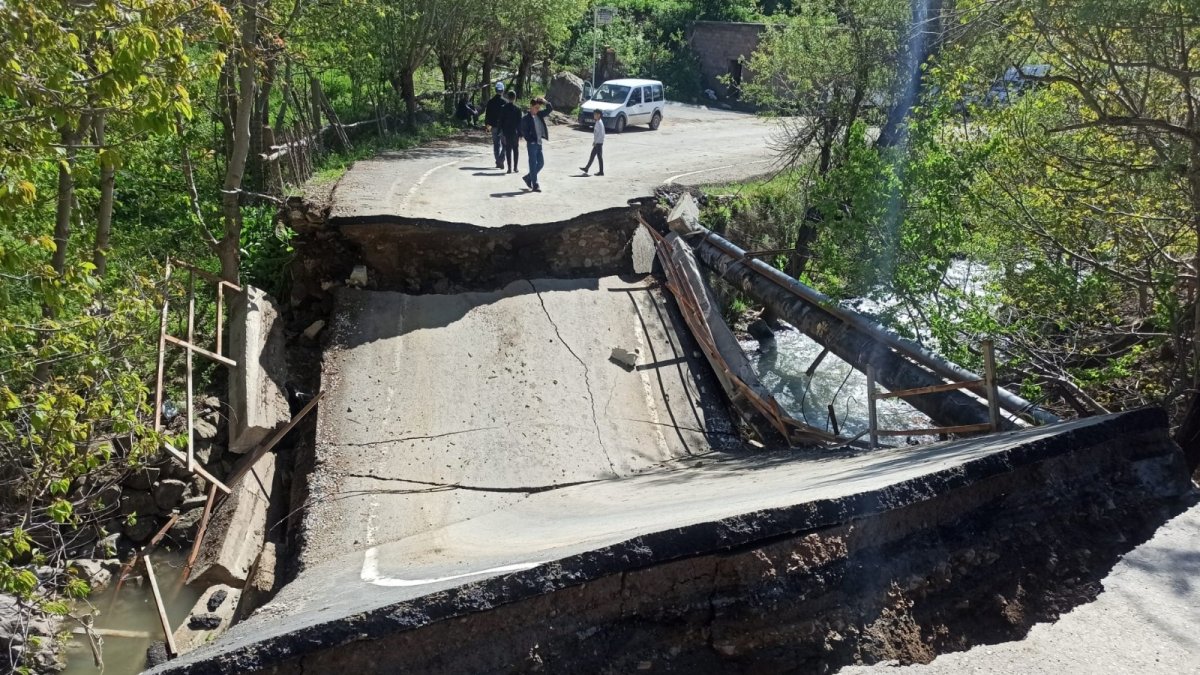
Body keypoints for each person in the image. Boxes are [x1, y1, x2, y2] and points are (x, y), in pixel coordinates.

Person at [518, 96, 553, 192]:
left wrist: (545, 101)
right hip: (532, 144)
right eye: (536, 108)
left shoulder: (540, 114)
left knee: (541, 163)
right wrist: (530, 140)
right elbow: (524, 131)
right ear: (531, 106)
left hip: (539, 143)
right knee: (533, 164)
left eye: (539, 108)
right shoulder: (525, 118)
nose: (538, 110)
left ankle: (528, 177)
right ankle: (535, 184)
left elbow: (550, 109)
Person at [484, 82, 508, 169]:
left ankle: (498, 161)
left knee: (496, 144)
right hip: (503, 127)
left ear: (495, 90)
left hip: (493, 126)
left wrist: (487, 125)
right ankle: (501, 159)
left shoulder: (490, 102)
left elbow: (487, 115)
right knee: (505, 144)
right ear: (503, 90)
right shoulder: (505, 102)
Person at [499, 90, 522, 173]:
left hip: (506, 132)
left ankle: (509, 168)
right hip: (515, 132)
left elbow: (501, 121)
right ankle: (515, 167)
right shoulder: (518, 108)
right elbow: (520, 122)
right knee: (516, 149)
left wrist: (500, 132)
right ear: (515, 97)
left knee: (508, 149)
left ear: (507, 97)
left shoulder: (503, 108)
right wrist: (520, 134)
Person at [580, 110, 605, 176]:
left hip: (598, 142)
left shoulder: (599, 123)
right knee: (592, 156)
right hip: (598, 142)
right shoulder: (599, 122)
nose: (594, 115)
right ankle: (586, 168)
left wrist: (596, 142)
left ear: (599, 115)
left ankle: (601, 172)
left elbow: (599, 134)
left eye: (595, 114)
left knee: (599, 157)